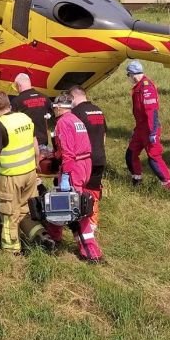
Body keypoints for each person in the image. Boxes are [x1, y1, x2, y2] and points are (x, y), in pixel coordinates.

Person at [0, 92, 52, 254]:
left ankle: (11, 251)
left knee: (9, 214)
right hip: (29, 173)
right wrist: (36, 163)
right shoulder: (25, 118)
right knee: (25, 211)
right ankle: (41, 237)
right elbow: (35, 143)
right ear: (9, 103)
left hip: (11, 176)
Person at [47, 94, 102, 262]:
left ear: (58, 107)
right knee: (62, 204)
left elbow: (69, 153)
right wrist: (56, 153)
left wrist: (65, 176)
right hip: (85, 164)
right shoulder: (76, 119)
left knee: (73, 208)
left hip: (74, 168)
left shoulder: (62, 123)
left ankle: (91, 251)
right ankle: (53, 237)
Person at [125, 60, 170, 189]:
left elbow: (152, 112)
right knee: (130, 154)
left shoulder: (146, 87)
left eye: (128, 75)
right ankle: (137, 180)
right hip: (141, 128)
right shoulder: (139, 87)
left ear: (132, 74)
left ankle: (168, 186)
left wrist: (153, 132)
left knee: (154, 158)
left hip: (149, 128)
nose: (129, 78)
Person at [68, 84, 107, 226]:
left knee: (81, 193)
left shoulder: (75, 113)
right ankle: (93, 223)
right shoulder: (98, 110)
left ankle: (82, 224)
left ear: (72, 98)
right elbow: (103, 135)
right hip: (100, 157)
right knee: (95, 192)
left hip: (85, 160)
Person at [10, 72, 54, 149]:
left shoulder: (16, 102)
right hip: (43, 141)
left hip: (27, 143)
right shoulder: (44, 97)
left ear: (18, 85)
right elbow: (53, 113)